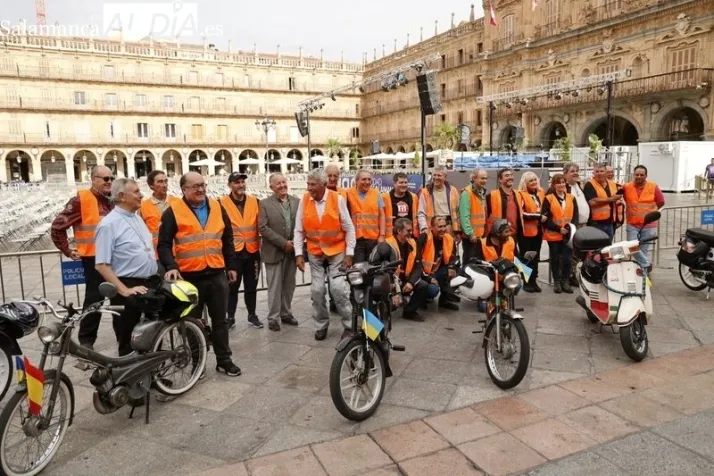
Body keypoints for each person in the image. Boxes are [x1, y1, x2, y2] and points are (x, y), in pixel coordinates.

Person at [158, 172, 241, 377]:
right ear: (184, 189)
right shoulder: (173, 212)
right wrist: (171, 266)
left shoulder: (217, 207)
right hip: (189, 277)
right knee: (191, 324)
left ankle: (224, 360)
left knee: (220, 321)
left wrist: (231, 265)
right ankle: (198, 363)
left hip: (216, 274)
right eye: (195, 186)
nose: (201, 189)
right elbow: (164, 244)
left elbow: (228, 239)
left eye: (203, 185)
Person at [50, 165, 114, 350]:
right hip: (94, 259)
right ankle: (86, 342)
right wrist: (67, 250)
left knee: (120, 299)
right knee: (94, 301)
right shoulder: (81, 200)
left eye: (111, 178)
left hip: (117, 258)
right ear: (93, 179)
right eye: (105, 178)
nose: (109, 182)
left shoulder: (113, 200)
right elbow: (57, 227)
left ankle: (124, 341)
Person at [94, 178, 155, 357]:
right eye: (136, 192)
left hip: (147, 285)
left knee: (149, 338)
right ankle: (128, 374)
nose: (141, 195)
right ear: (121, 196)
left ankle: (151, 372)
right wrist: (124, 290)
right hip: (127, 287)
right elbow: (101, 265)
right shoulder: (108, 224)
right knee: (129, 340)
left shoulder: (137, 218)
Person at [294, 168, 356, 341]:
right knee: (317, 290)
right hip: (315, 252)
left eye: (313, 185)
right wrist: (299, 254)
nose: (309, 188)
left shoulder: (338, 199)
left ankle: (350, 326)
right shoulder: (304, 200)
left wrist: (349, 254)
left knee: (338, 289)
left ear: (323, 184)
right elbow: (299, 230)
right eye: (308, 184)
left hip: (336, 251)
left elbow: (349, 228)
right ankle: (321, 325)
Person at [219, 172, 263, 330]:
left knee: (252, 286)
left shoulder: (255, 201)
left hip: (252, 251)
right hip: (233, 253)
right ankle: (230, 317)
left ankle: (252, 315)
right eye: (237, 182)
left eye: (242, 182)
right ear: (230, 185)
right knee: (232, 287)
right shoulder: (221, 203)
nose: (241, 185)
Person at [258, 173, 300, 332]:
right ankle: (273, 318)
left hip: (292, 251)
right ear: (271, 187)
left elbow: (301, 224)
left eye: (284, 182)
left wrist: (295, 244)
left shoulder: (297, 202)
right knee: (274, 287)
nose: (282, 185)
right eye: (278, 183)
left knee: (289, 285)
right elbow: (262, 227)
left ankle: (286, 313)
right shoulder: (264, 204)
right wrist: (283, 243)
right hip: (274, 251)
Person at [385, 218, 432, 322]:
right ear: (399, 231)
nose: (411, 233)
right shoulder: (387, 244)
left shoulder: (413, 243)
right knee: (392, 306)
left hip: (406, 280)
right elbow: (384, 271)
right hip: (392, 282)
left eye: (411, 230)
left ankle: (409, 312)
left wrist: (411, 282)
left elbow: (418, 267)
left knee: (423, 286)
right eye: (408, 230)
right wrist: (394, 291)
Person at [622, 165, 665, 270]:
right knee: (632, 248)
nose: (639, 177)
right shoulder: (626, 187)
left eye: (641, 175)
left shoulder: (653, 186)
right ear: (633, 175)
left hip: (648, 225)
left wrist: (651, 212)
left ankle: (643, 272)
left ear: (646, 176)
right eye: (637, 174)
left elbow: (661, 202)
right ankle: (646, 265)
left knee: (643, 249)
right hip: (632, 224)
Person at [542, 173, 579, 294]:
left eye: (563, 182)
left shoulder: (571, 198)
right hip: (554, 234)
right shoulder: (548, 199)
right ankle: (557, 282)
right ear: (553, 185)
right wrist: (558, 229)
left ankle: (565, 281)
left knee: (568, 259)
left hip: (568, 235)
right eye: (558, 183)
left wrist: (571, 229)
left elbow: (575, 217)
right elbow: (545, 219)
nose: (561, 185)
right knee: (555, 259)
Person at [418, 216, 459, 311]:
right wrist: (428, 278)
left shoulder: (448, 238)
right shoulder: (424, 238)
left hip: (438, 271)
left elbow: (453, 256)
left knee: (457, 273)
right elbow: (416, 262)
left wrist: (451, 267)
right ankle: (421, 299)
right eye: (440, 227)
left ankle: (444, 301)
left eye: (444, 226)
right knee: (433, 290)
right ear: (432, 227)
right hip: (424, 274)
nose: (443, 229)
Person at [344, 169, 386, 263]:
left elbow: (382, 215)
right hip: (356, 240)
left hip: (373, 239)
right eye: (364, 179)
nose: (367, 182)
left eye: (369, 179)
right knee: (358, 267)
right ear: (356, 181)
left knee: (373, 266)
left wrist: (382, 235)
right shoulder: (348, 193)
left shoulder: (376, 194)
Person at [139, 170, 177, 260]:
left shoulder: (177, 203)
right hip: (156, 256)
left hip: (177, 253)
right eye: (160, 182)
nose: (164, 185)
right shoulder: (143, 206)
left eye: (166, 181)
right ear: (151, 185)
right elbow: (141, 234)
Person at [516, 172, 545, 293]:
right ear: (525, 183)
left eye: (535, 179)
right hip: (525, 233)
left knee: (535, 257)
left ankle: (534, 280)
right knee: (525, 258)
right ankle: (526, 282)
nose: (534, 182)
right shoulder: (521, 194)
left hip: (538, 231)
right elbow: (522, 213)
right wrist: (538, 217)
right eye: (530, 181)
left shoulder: (540, 193)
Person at [564, 163, 590, 287]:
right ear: (565, 174)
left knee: (579, 253)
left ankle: (574, 273)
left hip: (584, 224)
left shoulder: (578, 185)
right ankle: (569, 276)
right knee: (572, 252)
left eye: (577, 171)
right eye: (572, 171)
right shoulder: (564, 187)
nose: (575, 173)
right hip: (573, 225)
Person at [417, 166, 460, 238]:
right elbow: (421, 213)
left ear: (445, 177)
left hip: (449, 227)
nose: (436, 177)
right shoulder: (425, 192)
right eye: (434, 175)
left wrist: (458, 231)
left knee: (449, 245)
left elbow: (458, 212)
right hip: (432, 229)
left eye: (439, 175)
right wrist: (424, 228)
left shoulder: (453, 190)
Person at [583, 162, 620, 242]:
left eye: (602, 171)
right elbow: (592, 202)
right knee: (597, 246)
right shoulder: (589, 185)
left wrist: (618, 219)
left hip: (611, 222)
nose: (599, 173)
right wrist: (611, 199)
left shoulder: (612, 184)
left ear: (606, 172)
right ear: (593, 173)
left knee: (608, 247)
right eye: (597, 171)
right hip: (596, 223)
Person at [459, 169, 488, 264]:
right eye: (482, 178)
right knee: (469, 264)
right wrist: (470, 233)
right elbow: (464, 216)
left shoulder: (481, 193)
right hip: (470, 238)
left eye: (486, 178)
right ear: (474, 178)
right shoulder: (466, 193)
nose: (484, 181)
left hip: (479, 237)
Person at [486, 168, 522, 237]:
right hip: (499, 235)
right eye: (507, 175)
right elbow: (486, 216)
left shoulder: (518, 194)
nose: (510, 177)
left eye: (511, 175)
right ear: (500, 180)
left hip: (515, 235)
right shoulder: (491, 196)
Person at [383, 172, 418, 238]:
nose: (404, 185)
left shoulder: (414, 197)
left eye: (405, 182)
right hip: (391, 235)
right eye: (401, 182)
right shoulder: (385, 197)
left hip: (410, 235)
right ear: (394, 183)